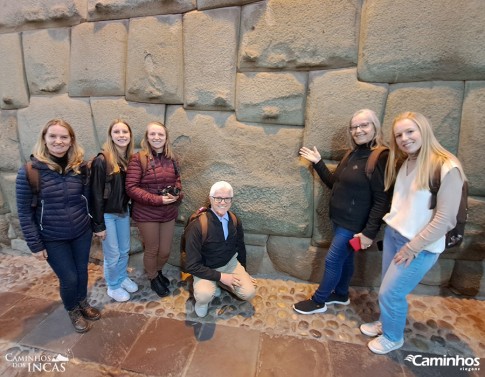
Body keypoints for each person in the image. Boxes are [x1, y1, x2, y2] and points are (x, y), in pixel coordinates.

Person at [360, 112, 465, 354]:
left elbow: (445, 218)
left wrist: (413, 247)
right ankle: (386, 322)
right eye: (399, 135)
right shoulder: (408, 160)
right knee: (386, 287)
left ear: (424, 130)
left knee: (391, 293)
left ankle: (392, 337)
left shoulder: (446, 166)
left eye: (410, 131)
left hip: (419, 246)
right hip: (395, 235)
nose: (404, 138)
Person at [293, 109, 390, 315]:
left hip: (354, 225)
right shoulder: (352, 153)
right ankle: (341, 293)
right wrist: (318, 163)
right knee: (345, 259)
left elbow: (382, 200)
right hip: (339, 220)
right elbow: (334, 183)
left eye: (364, 125)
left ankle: (319, 300)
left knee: (332, 260)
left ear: (375, 127)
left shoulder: (380, 157)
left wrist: (369, 232)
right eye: (354, 127)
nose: (358, 130)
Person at [16, 119, 100, 333]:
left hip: (81, 232)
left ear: (71, 141)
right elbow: (25, 213)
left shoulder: (80, 168)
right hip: (53, 237)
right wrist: (35, 245)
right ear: (44, 139)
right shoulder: (29, 172)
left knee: (82, 272)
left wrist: (94, 225)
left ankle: (82, 302)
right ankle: (72, 308)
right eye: (53, 136)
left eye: (64, 137)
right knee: (69, 277)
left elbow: (88, 198)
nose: (58, 141)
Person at [125, 121, 182, 297]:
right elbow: (131, 187)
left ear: (166, 138)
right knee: (152, 248)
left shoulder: (172, 158)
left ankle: (156, 272)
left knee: (165, 250)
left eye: (160, 135)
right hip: (146, 213)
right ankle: (153, 277)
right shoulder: (138, 158)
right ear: (147, 137)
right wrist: (157, 200)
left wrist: (177, 194)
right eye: (153, 134)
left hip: (168, 212)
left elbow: (177, 180)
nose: (157, 138)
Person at [184, 181, 256, 317]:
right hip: (205, 267)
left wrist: (244, 272)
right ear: (210, 199)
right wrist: (221, 276)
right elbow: (191, 265)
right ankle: (203, 300)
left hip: (229, 264)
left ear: (231, 200)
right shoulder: (198, 225)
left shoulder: (234, 220)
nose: (223, 202)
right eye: (218, 198)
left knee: (249, 292)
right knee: (204, 295)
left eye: (227, 198)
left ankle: (218, 283)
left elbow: (240, 247)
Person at [90, 119, 138, 302]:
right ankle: (113, 285)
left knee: (124, 250)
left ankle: (121, 277)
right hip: (107, 215)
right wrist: (98, 224)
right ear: (111, 135)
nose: (121, 135)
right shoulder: (101, 160)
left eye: (124, 132)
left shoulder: (129, 160)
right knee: (112, 253)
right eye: (116, 132)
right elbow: (95, 194)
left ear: (130, 135)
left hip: (122, 212)